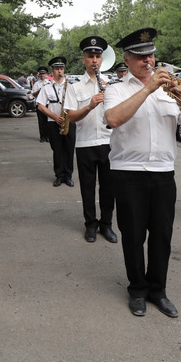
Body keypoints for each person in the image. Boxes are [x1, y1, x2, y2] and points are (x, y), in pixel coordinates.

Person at [104, 28, 181, 318]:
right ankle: (137, 289)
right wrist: (148, 89)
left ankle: (158, 290)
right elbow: (113, 119)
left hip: (163, 172)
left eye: (151, 55)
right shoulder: (116, 89)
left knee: (162, 235)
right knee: (133, 236)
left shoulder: (172, 89)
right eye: (140, 56)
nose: (148, 61)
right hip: (128, 172)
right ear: (127, 59)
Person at [63, 36, 117, 243]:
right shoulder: (75, 87)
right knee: (87, 187)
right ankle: (90, 225)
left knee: (108, 188)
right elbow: (70, 117)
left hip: (108, 142)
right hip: (85, 144)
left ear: (102, 60)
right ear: (84, 59)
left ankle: (107, 224)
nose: (94, 60)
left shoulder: (111, 85)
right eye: (90, 56)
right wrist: (89, 106)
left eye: (97, 56)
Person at [37, 56, 77, 187]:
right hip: (53, 122)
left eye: (61, 68)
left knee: (69, 149)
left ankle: (68, 175)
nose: (60, 71)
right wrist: (54, 116)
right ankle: (59, 175)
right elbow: (41, 106)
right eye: (57, 69)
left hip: (68, 121)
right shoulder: (46, 87)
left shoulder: (71, 86)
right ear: (52, 71)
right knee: (57, 149)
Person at [30, 66, 51, 142]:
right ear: (39, 74)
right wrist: (39, 90)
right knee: (41, 121)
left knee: (47, 121)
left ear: (46, 74)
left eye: (44, 74)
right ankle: (42, 136)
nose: (42, 75)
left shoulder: (49, 83)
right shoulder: (36, 84)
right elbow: (33, 94)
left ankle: (48, 136)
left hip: (47, 104)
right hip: (39, 104)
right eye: (41, 74)